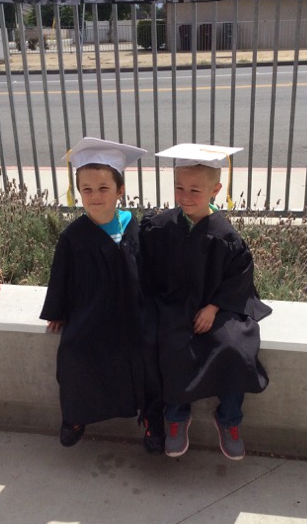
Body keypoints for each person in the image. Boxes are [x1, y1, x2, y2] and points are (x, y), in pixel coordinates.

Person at [140, 143, 272, 461]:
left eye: (195, 190)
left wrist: (214, 307)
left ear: (216, 189)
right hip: (174, 303)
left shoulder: (225, 236)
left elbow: (239, 277)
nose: (185, 196)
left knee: (234, 347)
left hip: (218, 306)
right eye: (179, 188)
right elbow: (150, 269)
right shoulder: (162, 227)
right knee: (171, 341)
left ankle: (228, 418)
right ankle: (176, 414)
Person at [40, 137, 155, 449]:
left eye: (104, 188)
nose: (94, 196)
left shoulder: (134, 225)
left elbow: (149, 268)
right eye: (86, 189)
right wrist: (58, 312)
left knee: (150, 350)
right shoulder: (73, 237)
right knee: (73, 352)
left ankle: (153, 421)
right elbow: (61, 277)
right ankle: (75, 416)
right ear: (78, 192)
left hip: (134, 310)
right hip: (92, 311)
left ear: (120, 190)